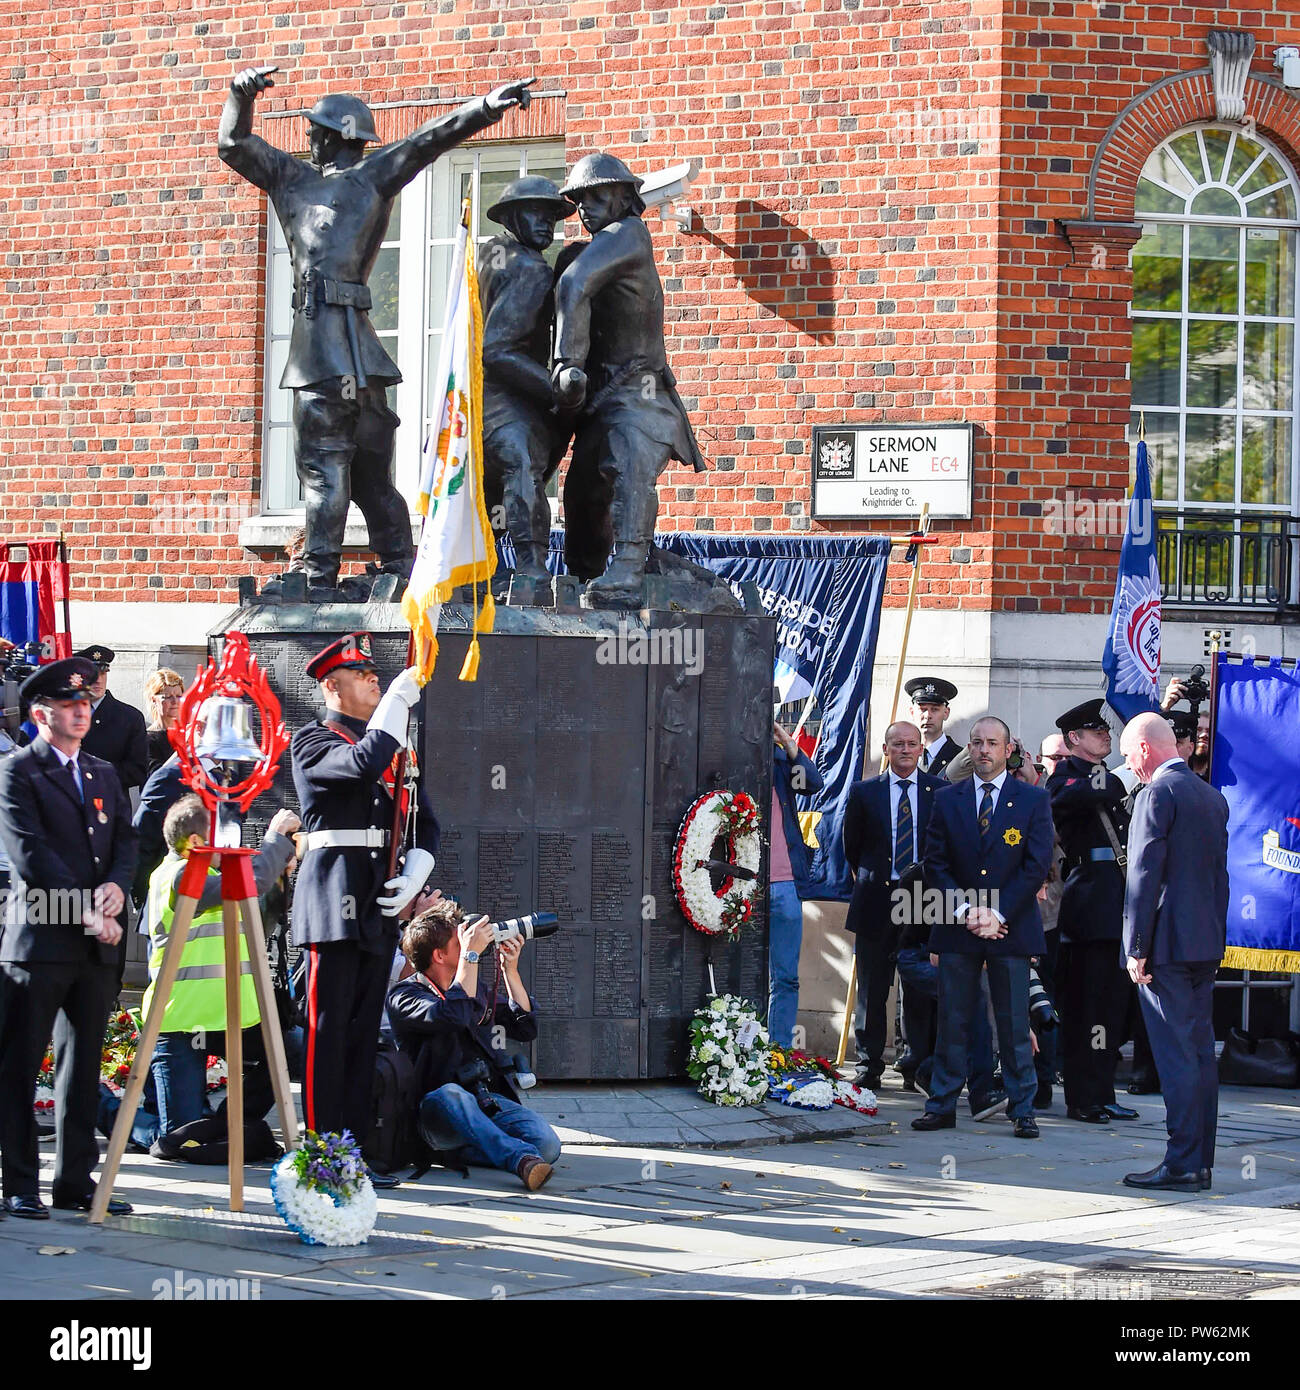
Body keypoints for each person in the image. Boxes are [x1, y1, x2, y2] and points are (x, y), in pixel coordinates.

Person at [219, 64, 534, 600]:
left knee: (325, 472)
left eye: (316, 129)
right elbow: (234, 140)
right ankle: (402, 565)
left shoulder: (332, 178)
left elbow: (426, 140)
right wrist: (239, 97)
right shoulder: (319, 177)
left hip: (324, 355)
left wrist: (484, 107)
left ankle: (319, 583)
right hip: (362, 359)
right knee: (367, 479)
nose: (309, 137)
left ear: (334, 135)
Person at [290, 632, 439, 1178]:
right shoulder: (313, 740)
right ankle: (319, 1152)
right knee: (326, 1034)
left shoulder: (393, 742)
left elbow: (427, 817)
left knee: (360, 1036)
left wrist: (420, 861)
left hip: (377, 902)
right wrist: (396, 704)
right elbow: (360, 764)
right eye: (364, 675)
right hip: (333, 901)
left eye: (378, 675)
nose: (377, 680)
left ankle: (351, 1152)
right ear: (333, 686)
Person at [0, 657, 137, 1217]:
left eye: (85, 703)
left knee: (83, 1069)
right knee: (21, 1062)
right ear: (40, 713)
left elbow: (125, 842)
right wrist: (86, 909)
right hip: (42, 942)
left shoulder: (102, 772)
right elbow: (30, 854)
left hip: (95, 945)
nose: (81, 711)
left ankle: (76, 1180)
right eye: (68, 705)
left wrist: (115, 890)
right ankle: (20, 1183)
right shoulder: (18, 771)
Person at [551, 153, 707, 604]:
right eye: (579, 200)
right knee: (581, 491)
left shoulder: (628, 233)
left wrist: (565, 365)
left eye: (597, 196)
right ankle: (583, 576)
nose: (585, 207)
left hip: (638, 393)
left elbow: (573, 286)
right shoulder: (600, 245)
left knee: (629, 468)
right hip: (606, 397)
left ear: (623, 197)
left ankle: (626, 569)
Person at [912, 716, 1053, 1138]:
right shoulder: (947, 798)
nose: (983, 750)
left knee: (1012, 1021)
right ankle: (941, 1104)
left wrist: (998, 913)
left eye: (992, 743)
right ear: (968, 748)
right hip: (960, 926)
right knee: (953, 1018)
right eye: (976, 742)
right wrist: (967, 911)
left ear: (1008, 749)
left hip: (1009, 927)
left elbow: (1036, 865)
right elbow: (935, 862)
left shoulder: (1031, 800)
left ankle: (1022, 1107)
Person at [141, 794, 298, 1139]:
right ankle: (108, 1112)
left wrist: (279, 878)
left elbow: (257, 919)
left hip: (228, 1017)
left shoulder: (212, 873)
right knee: (179, 1136)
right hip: (181, 1022)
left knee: (289, 1051)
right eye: (220, 836)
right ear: (195, 841)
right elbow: (249, 884)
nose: (229, 844)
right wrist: (274, 839)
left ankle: (230, 1123)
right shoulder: (178, 875)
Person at [1119, 712, 1229, 1191]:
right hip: (1204, 943)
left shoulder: (1156, 793)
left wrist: (1135, 946)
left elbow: (1143, 874)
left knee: (1177, 1056)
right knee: (1201, 1053)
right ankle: (1199, 1161)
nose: (1130, 766)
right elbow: (1219, 879)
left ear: (1144, 749)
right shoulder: (1210, 794)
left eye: (1128, 756)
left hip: (1165, 946)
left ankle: (1182, 1163)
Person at [388, 899, 559, 1189]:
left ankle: (471, 1148)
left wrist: (511, 972)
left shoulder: (474, 988)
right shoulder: (404, 997)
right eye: (463, 941)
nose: (474, 945)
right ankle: (519, 1159)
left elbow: (525, 1028)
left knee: (548, 1145)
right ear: (440, 955)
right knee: (452, 1095)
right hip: (435, 1111)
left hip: (484, 1100)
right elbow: (454, 1015)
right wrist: (471, 958)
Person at [842, 722, 952, 1093]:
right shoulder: (863, 792)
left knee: (919, 988)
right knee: (872, 989)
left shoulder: (940, 792)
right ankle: (869, 1064)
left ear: (921, 750)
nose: (905, 749)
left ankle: (915, 1064)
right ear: (885, 750)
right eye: (897, 744)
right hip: (876, 899)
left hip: (922, 903)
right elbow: (851, 847)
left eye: (911, 744)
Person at [480, 176, 574, 597]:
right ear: (513, 217)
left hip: (471, 402)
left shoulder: (488, 255)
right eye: (536, 213)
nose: (546, 224)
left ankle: (487, 570)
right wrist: (557, 389)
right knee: (522, 470)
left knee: (481, 487)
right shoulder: (530, 268)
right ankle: (533, 566)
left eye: (552, 215)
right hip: (509, 399)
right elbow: (497, 350)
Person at [1046, 698, 1138, 1126]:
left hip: (1116, 899)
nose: (1106, 735)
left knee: (1112, 1007)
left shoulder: (1106, 779)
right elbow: (1088, 793)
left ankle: (1104, 1091)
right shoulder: (1064, 779)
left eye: (1106, 730)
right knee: (1085, 1006)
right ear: (1073, 740)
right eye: (1095, 731)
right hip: (1089, 905)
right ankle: (1082, 1097)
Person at [767, 720, 825, 1048]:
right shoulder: (723, 757)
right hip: (740, 885)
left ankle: (778, 1052)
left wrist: (788, 744)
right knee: (742, 974)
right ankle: (737, 1053)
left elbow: (812, 783)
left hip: (786, 882)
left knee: (785, 977)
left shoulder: (779, 760)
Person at [74, 644, 149, 796]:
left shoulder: (129, 717)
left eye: (102, 673)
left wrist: (94, 773)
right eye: (92, 674)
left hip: (112, 805)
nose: (98, 680)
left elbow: (137, 770)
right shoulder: (67, 714)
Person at [904, 677, 962, 777]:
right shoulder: (900, 754)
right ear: (912, 712)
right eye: (923, 709)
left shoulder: (960, 759)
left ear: (946, 713)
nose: (927, 715)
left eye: (935, 709)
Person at [143, 668, 185, 775]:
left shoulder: (188, 734)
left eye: (179, 696)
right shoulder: (146, 739)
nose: (175, 701)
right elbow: (156, 776)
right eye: (168, 697)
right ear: (154, 700)